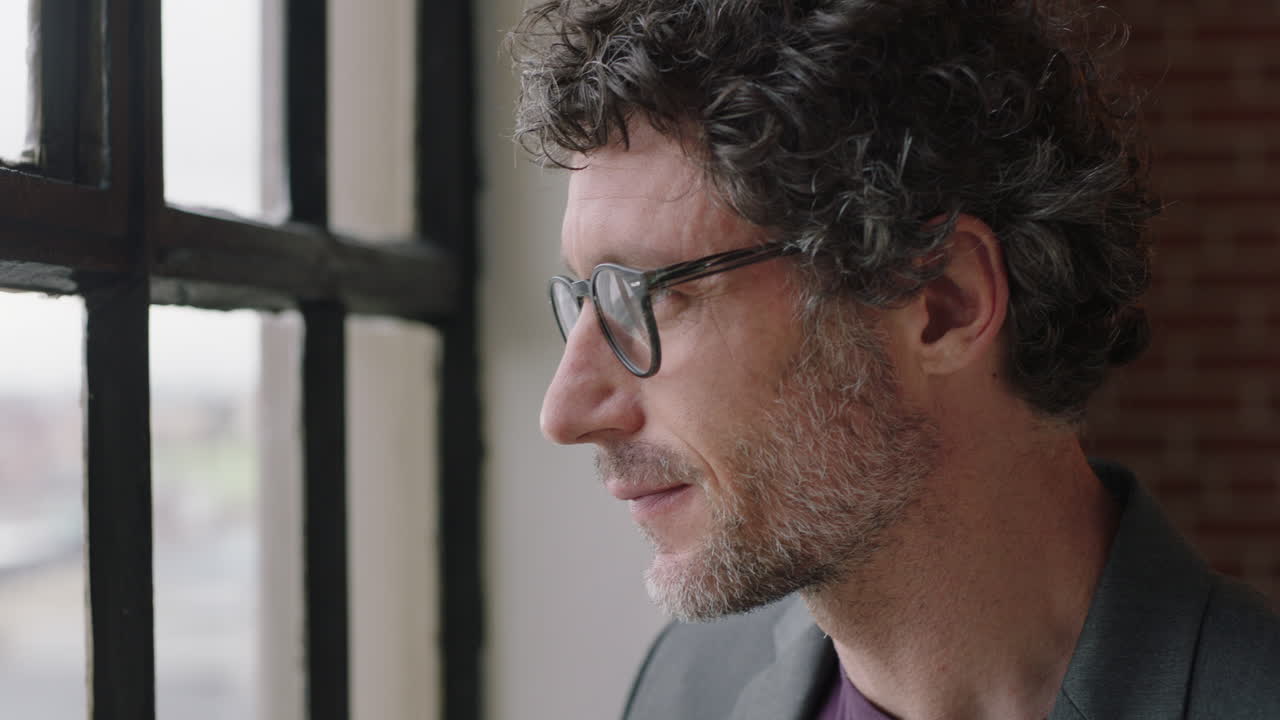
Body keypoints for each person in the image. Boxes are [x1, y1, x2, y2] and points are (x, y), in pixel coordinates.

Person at [508, 0, 1280, 717]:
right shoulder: (690, 687)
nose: (564, 412)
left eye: (650, 295)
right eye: (587, 299)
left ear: (945, 302)